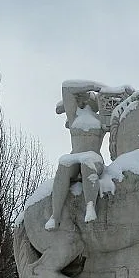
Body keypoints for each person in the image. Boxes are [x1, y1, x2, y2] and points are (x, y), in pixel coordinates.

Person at [45, 81, 107, 230]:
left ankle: (90, 206)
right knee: (64, 162)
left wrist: (103, 92)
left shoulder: (101, 120)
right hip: (75, 156)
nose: (85, 101)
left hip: (94, 157)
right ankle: (55, 215)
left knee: (87, 162)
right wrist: (93, 86)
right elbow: (66, 87)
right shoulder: (74, 117)